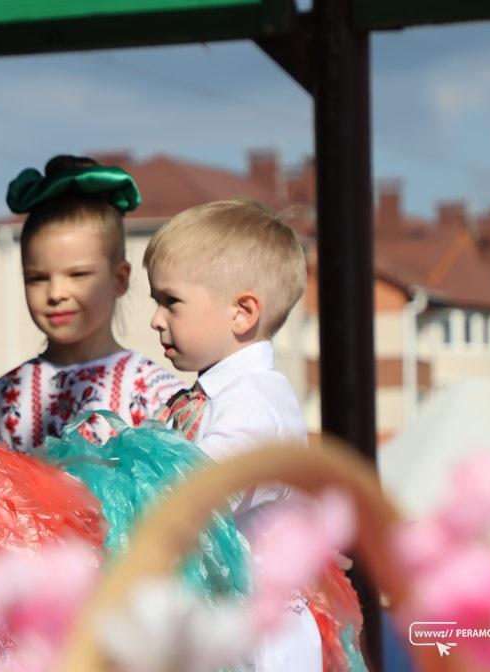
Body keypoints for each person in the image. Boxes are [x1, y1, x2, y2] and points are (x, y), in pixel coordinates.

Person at [144, 198, 322, 670]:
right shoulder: (210, 396)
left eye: (171, 301)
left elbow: (200, 492)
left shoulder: (257, 404)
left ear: (242, 313)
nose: (156, 319)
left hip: (259, 633)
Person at [0, 155, 182, 452]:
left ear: (119, 279)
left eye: (78, 274)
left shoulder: (156, 394)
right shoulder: (5, 396)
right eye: (37, 277)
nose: (56, 292)